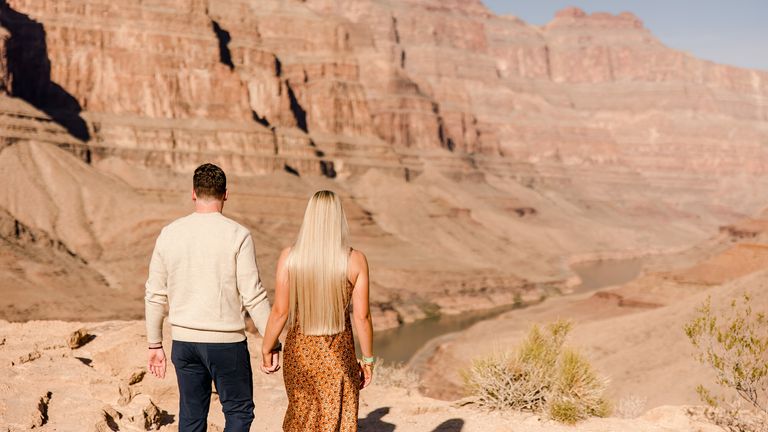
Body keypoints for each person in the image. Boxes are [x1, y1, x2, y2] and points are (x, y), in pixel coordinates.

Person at [144, 163, 280, 432]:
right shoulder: (238, 235)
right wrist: (271, 342)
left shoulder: (170, 233)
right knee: (239, 412)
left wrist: (154, 344)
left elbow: (155, 293)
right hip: (226, 343)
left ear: (193, 193)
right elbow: (253, 294)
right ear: (226, 194)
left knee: (192, 416)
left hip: (184, 343)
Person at [260, 190, 375, 432]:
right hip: (338, 358)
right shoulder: (355, 260)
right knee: (337, 422)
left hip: (299, 356)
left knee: (302, 420)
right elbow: (362, 317)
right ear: (339, 218)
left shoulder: (290, 257)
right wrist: (368, 360)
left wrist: (267, 347)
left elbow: (280, 311)